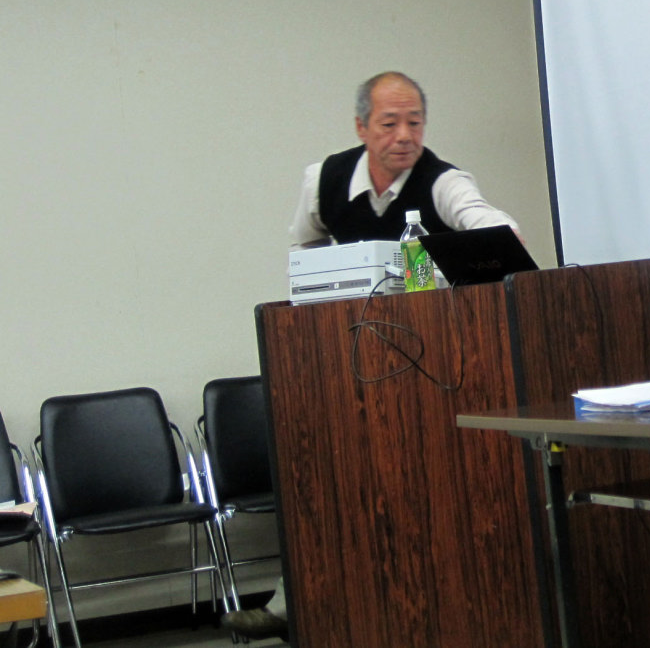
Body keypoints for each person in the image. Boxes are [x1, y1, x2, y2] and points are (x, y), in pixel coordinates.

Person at [222, 70, 520, 641]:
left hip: (433, 363)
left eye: (415, 122)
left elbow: (483, 219)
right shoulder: (324, 179)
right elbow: (305, 245)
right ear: (362, 127)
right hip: (349, 360)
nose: (404, 136)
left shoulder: (443, 182)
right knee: (323, 474)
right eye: (389, 123)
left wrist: (501, 233)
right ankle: (297, 603)